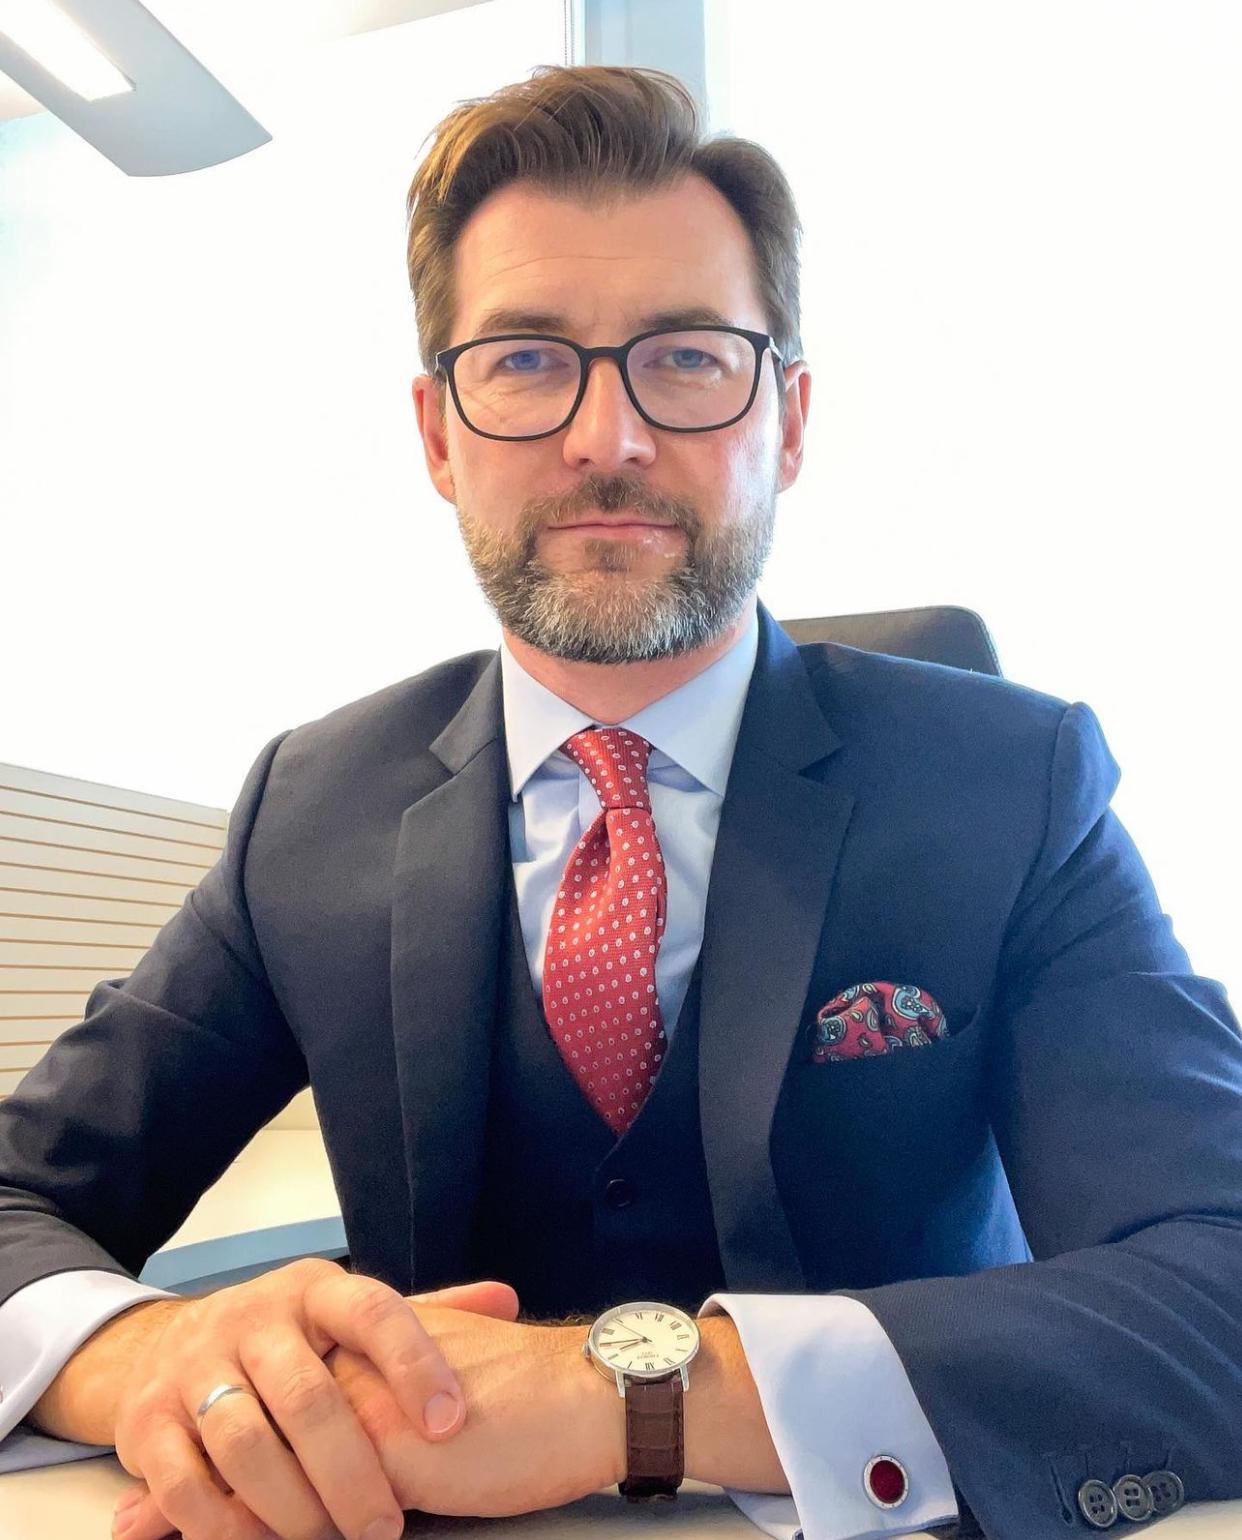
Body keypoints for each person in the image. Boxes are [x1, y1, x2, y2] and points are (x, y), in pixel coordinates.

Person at [1, 62, 1240, 1540]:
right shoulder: (311, 810)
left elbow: (1218, 1270)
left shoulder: (1008, 785)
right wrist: (153, 1355)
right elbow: (23, 1194)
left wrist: (627, 1399)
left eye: (687, 357)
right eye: (526, 360)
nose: (607, 439)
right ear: (437, 434)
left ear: (786, 420)